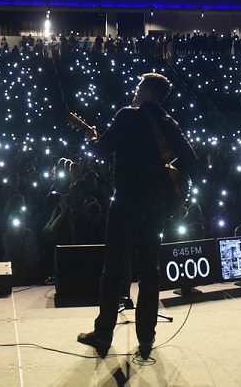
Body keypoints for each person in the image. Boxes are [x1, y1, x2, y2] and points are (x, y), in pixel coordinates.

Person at [76, 73, 198, 361]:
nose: (135, 91)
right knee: (150, 272)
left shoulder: (127, 116)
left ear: (150, 92)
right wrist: (165, 171)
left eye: (139, 87)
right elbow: (191, 161)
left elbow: (102, 150)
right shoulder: (169, 123)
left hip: (127, 205)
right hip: (156, 209)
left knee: (113, 271)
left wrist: (92, 136)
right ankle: (146, 338)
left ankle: (103, 334)